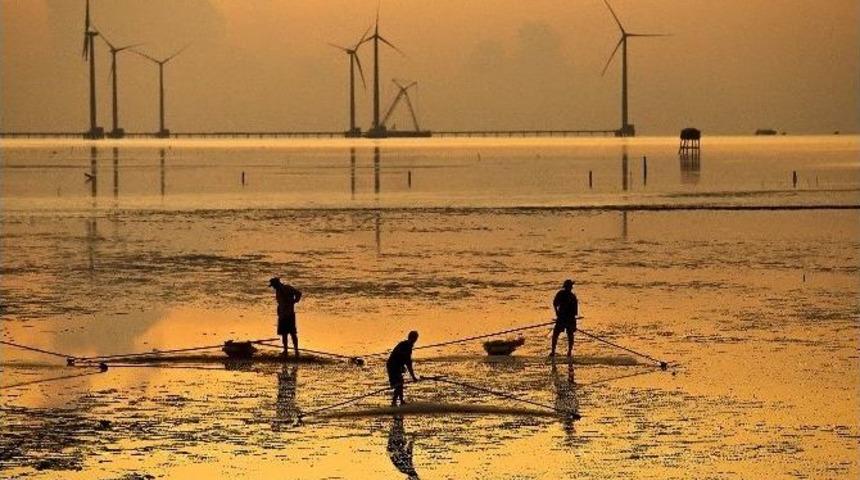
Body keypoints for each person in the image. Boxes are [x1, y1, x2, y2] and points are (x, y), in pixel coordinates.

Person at [270, 277, 302, 357]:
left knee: (292, 333)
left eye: (273, 286)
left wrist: (295, 301)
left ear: (277, 284)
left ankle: (296, 351)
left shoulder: (287, 288)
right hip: (282, 315)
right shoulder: (278, 291)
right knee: (284, 334)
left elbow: (298, 293)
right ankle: (286, 350)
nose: (273, 288)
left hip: (289, 314)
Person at [386, 331, 420, 406]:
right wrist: (413, 377)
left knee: (400, 383)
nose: (415, 341)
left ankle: (401, 401)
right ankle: (394, 402)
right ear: (412, 338)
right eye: (415, 339)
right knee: (399, 384)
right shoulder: (404, 345)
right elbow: (408, 364)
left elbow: (407, 362)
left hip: (397, 367)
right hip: (392, 366)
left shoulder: (408, 347)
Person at [551, 279, 578, 357]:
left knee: (569, 335)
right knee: (556, 334)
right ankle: (553, 351)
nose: (571, 288)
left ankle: (569, 352)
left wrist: (557, 313)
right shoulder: (562, 294)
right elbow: (555, 304)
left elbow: (574, 312)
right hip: (563, 318)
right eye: (570, 286)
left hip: (566, 318)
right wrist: (557, 313)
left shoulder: (572, 297)